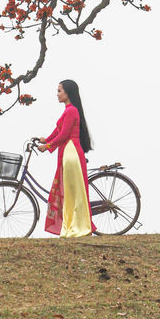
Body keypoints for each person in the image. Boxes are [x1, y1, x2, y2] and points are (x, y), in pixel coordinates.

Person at [33, 79, 95, 237]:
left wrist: (47, 147)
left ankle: (76, 225)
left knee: (71, 192)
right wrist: (46, 140)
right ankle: (71, 223)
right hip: (68, 152)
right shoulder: (69, 110)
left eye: (59, 90)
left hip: (71, 153)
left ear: (68, 93)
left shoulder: (71, 111)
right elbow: (58, 131)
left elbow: (64, 135)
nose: (57, 94)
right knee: (69, 191)